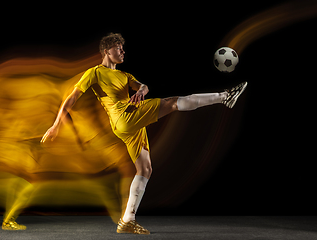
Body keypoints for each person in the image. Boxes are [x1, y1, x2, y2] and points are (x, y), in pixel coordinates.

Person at [41, 33, 247, 234]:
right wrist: (56, 125)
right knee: (173, 102)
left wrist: (140, 90)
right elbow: (72, 98)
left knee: (145, 169)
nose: (122, 51)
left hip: (130, 126)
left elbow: (143, 86)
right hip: (125, 117)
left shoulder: (124, 75)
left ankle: (127, 221)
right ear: (106, 51)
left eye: (123, 48)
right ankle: (224, 96)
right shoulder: (95, 72)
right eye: (118, 48)